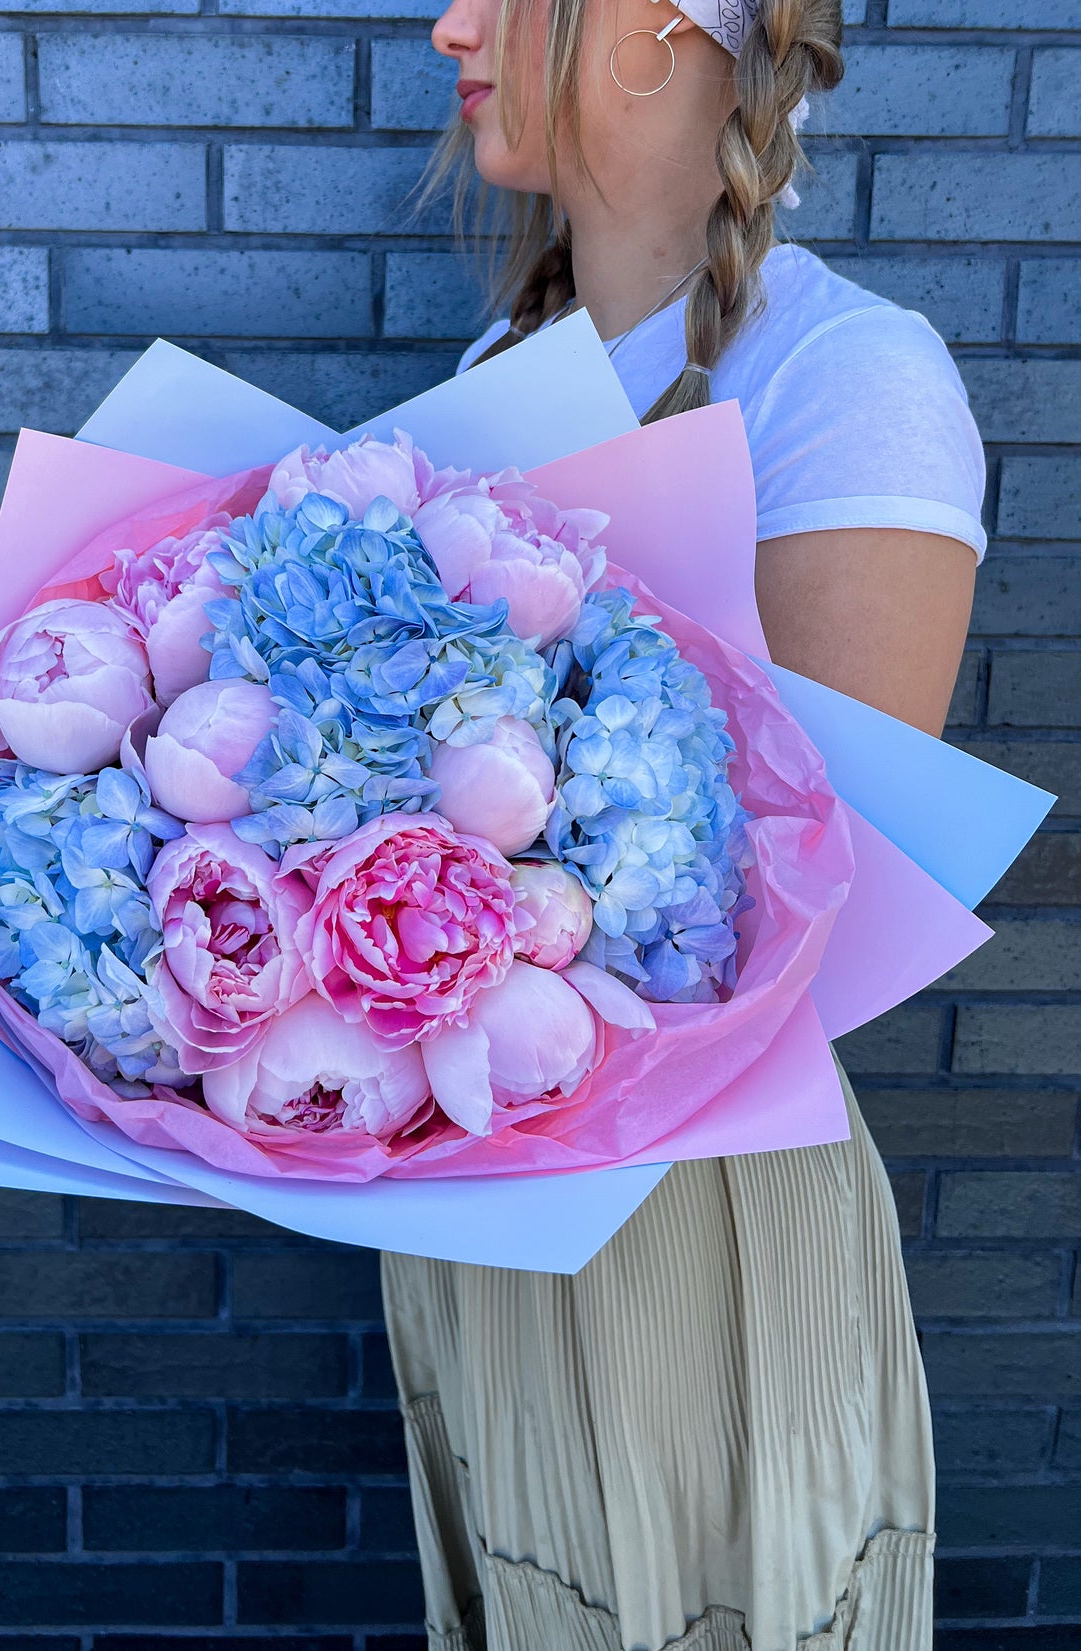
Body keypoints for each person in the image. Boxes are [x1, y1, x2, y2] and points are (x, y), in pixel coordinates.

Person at [379, 2, 985, 1647]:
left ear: (657, 25)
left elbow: (827, 910)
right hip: (472, 1186)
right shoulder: (492, 376)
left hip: (693, 1216)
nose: (446, 26)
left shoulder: (847, 376)